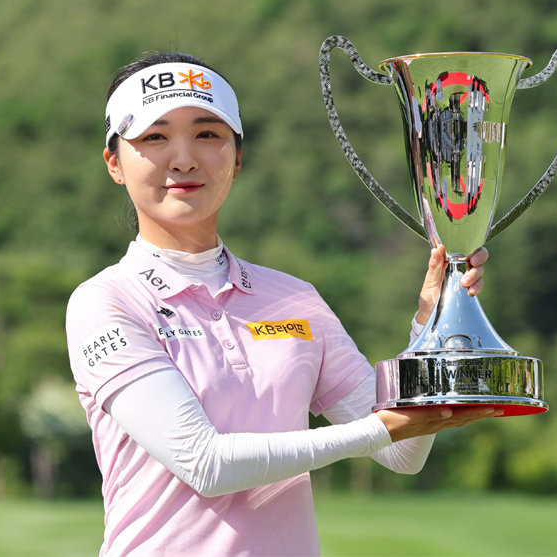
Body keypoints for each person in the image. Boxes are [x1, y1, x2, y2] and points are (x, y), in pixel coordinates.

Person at [66, 51, 496, 557]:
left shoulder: (293, 298)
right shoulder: (105, 302)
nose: (183, 158)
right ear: (115, 162)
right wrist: (380, 428)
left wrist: (427, 329)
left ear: (238, 157)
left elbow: (403, 453)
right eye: (154, 137)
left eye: (208, 134)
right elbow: (206, 464)